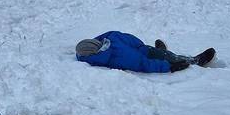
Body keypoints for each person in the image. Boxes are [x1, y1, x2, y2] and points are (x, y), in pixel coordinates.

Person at [75, 33, 215, 73]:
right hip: (146, 55)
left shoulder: (108, 41)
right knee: (171, 58)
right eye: (98, 45)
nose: (101, 42)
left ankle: (161, 51)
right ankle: (195, 61)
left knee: (159, 52)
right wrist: (169, 67)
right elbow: (142, 64)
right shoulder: (117, 58)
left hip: (141, 48)